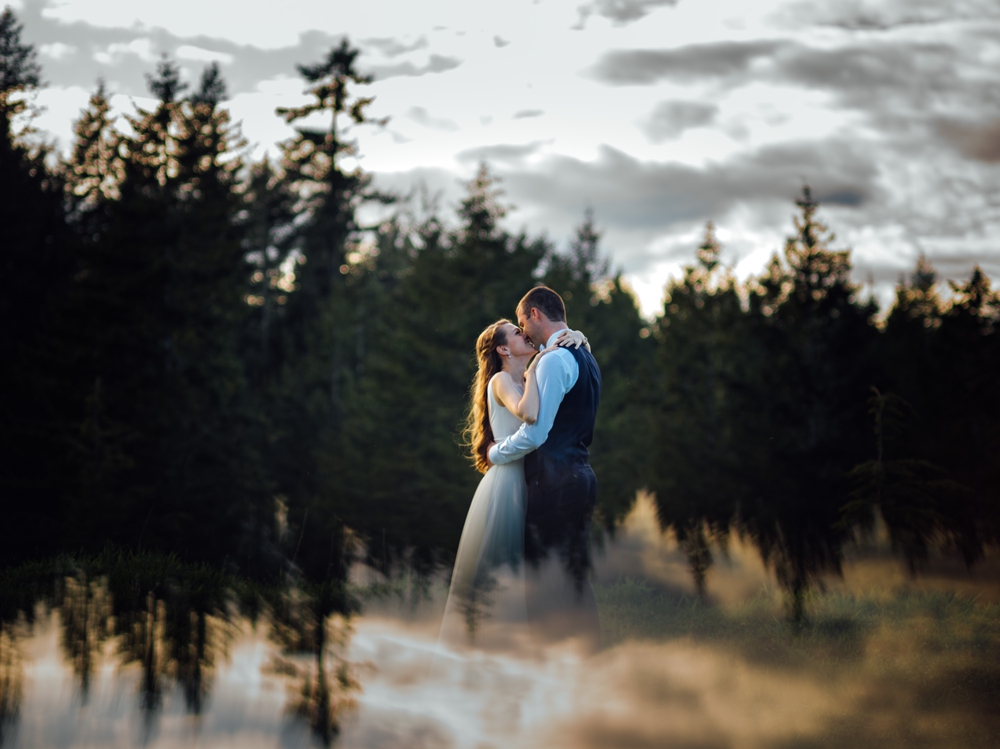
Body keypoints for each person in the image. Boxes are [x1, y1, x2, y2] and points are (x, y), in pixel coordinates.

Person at [436, 319, 587, 654]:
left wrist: (573, 337)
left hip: (526, 476)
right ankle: (496, 650)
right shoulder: (503, 379)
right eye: (517, 333)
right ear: (503, 349)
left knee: (527, 571)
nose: (525, 333)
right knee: (505, 571)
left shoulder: (523, 375)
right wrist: (538, 366)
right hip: (508, 483)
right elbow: (529, 413)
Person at [487, 286, 601, 651]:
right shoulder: (585, 355)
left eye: (522, 322)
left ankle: (551, 667)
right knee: (574, 578)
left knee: (544, 584)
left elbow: (536, 433)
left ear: (535, 314)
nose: (524, 331)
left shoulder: (552, 360)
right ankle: (592, 659)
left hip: (554, 483)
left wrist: (495, 454)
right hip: (581, 476)